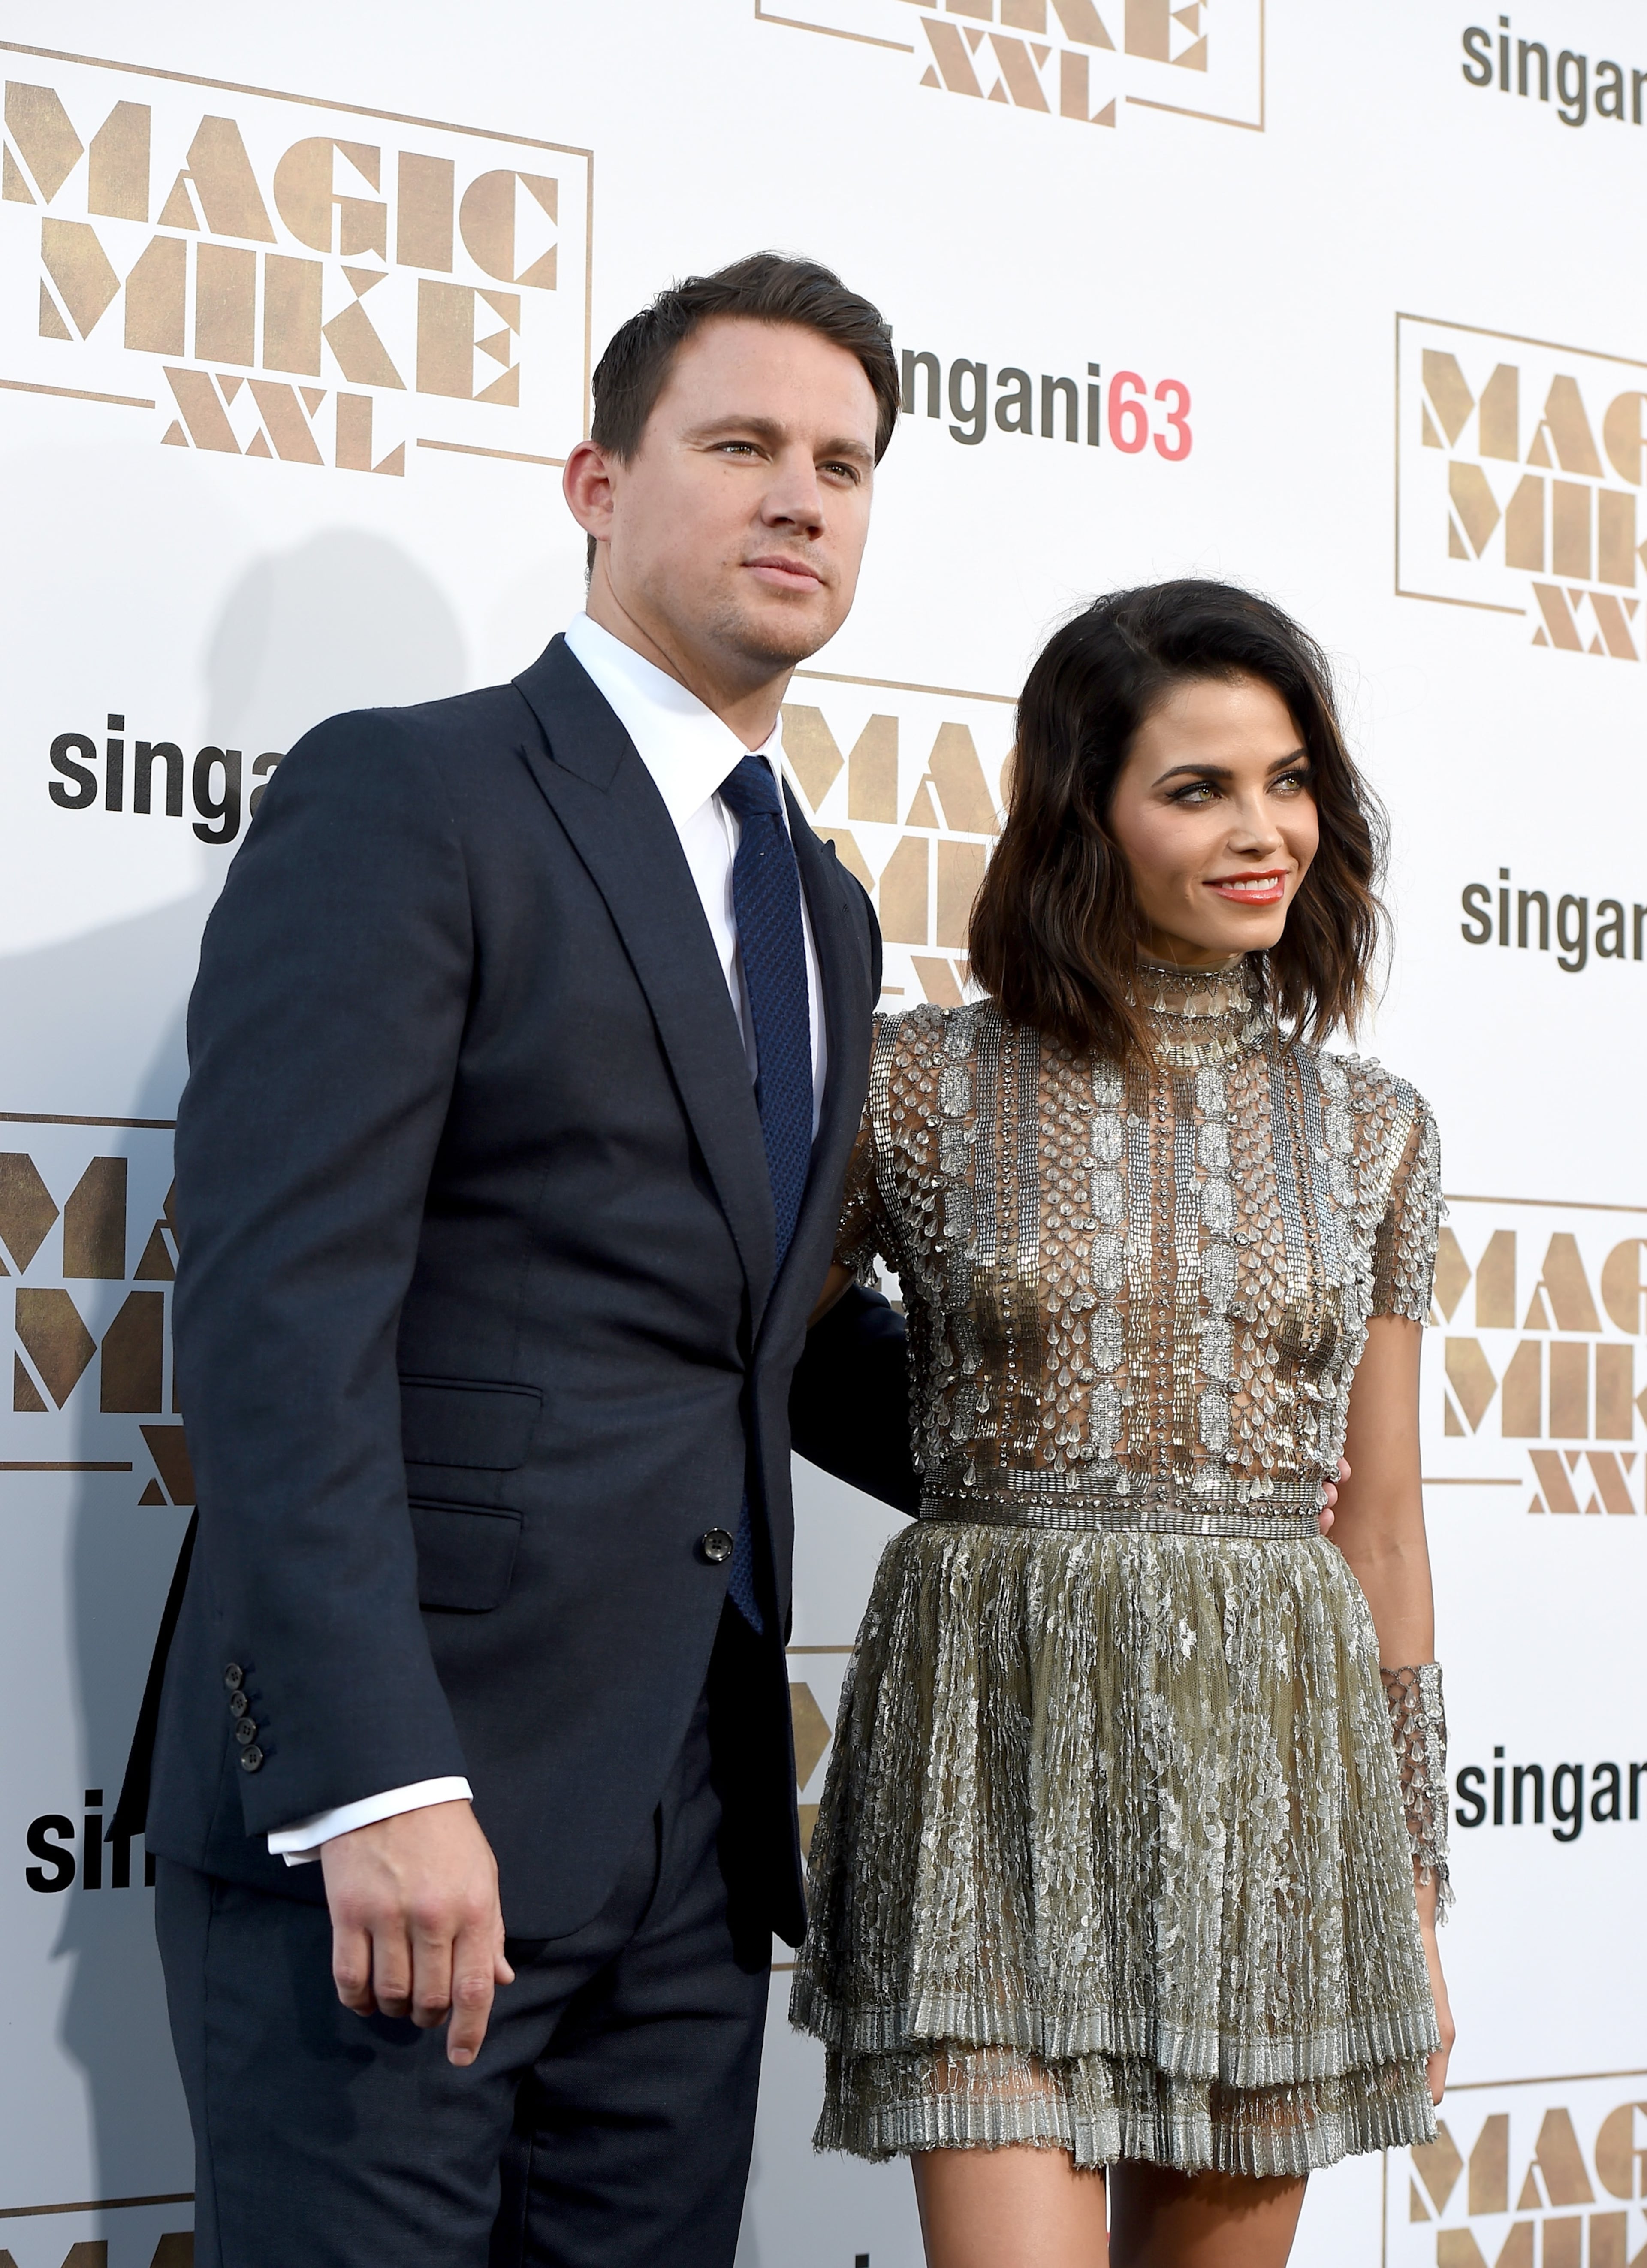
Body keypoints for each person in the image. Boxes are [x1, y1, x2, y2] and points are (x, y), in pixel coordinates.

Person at [112, 251, 920, 2268]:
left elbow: (764, 1333)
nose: (799, 497)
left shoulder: (826, 910)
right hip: (409, 1806)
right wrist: (377, 1769)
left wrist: (1158, 1452)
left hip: (691, 1839)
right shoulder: (417, 792)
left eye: (843, 460)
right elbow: (284, 1316)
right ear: (593, 481)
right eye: (740, 444)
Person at [792, 580, 1457, 2268]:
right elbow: (768, 1345)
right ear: (1083, 815)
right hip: (988, 1750)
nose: (1267, 830)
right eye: (1200, 786)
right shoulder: (910, 1084)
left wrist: (1418, 1885)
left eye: (1291, 778)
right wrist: (981, 1460)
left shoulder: (1374, 1130)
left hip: (1281, 1770)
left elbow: (1379, 1522)